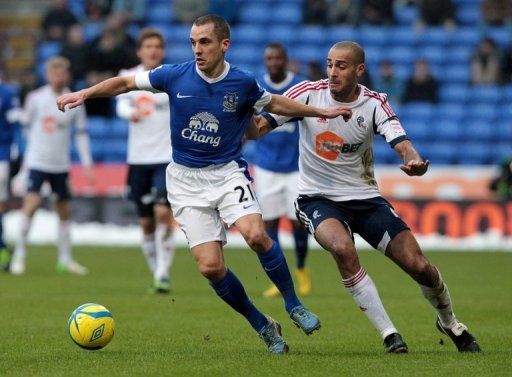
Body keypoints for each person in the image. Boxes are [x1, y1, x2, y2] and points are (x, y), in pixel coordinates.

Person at [56, 15, 352, 354]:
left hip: (227, 172)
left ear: (224, 44)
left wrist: (321, 114)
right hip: (184, 180)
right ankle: (262, 325)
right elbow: (123, 85)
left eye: (205, 42)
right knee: (211, 267)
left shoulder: (242, 82)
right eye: (193, 42)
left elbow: (273, 102)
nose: (197, 49)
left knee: (256, 234)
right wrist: (84, 93)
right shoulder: (173, 75)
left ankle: (293, 304)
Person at [251, 41, 481, 354]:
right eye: (330, 64)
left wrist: (412, 159)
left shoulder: (374, 103)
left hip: (366, 199)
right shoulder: (306, 92)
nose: (332, 72)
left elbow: (400, 140)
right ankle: (389, 334)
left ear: (360, 70)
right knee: (343, 248)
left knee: (418, 265)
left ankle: (449, 322)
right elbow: (260, 126)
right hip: (317, 199)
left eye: (341, 66)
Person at [9, 57, 93, 275]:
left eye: (62, 72)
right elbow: (25, 128)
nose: (58, 76)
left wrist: (87, 163)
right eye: (54, 72)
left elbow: (81, 133)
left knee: (64, 210)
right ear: (47, 75)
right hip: (38, 161)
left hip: (60, 164)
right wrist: (25, 160)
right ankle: (19, 255)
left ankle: (65, 259)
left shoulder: (75, 100)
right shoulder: (36, 98)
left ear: (67, 75)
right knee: (31, 204)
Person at [116, 28, 175, 293]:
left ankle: (163, 273)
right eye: (148, 46)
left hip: (165, 158)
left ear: (162, 51)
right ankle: (156, 271)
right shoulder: (129, 77)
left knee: (163, 213)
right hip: (138, 159)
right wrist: (130, 113)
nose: (153, 50)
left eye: (157, 46)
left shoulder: (170, 77)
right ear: (140, 51)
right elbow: (119, 105)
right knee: (146, 223)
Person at [253, 43, 312, 298]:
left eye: (278, 58)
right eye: (269, 58)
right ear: (265, 61)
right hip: (266, 165)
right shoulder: (254, 87)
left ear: (286, 60)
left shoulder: (300, 86)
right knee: (270, 222)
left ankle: (301, 269)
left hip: (295, 166)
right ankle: (279, 279)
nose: (274, 62)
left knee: (298, 221)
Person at [0, 80, 20, 271]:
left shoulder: (6, 93)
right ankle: (4, 247)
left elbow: (16, 124)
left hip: (1, 153)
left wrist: (17, 150)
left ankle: (3, 249)